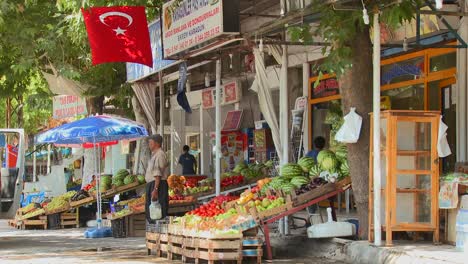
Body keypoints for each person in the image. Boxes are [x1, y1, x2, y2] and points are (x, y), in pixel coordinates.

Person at [145, 134, 170, 223]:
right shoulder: (154, 154)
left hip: (158, 184)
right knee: (151, 210)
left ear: (156, 143)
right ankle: (154, 230)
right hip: (153, 184)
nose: (149, 144)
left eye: (150, 142)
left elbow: (158, 174)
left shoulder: (160, 154)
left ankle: (158, 231)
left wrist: (155, 189)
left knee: (158, 210)